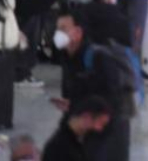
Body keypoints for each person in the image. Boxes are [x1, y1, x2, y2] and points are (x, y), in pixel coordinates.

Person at [51, 10, 136, 161]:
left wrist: (83, 107)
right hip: (90, 119)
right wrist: (73, 104)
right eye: (57, 29)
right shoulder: (68, 57)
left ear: (77, 33)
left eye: (63, 29)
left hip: (111, 122)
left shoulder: (98, 57)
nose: (58, 34)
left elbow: (112, 94)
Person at [41, 95, 113, 161]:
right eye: (100, 123)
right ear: (87, 116)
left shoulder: (72, 142)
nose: (99, 129)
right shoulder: (62, 148)